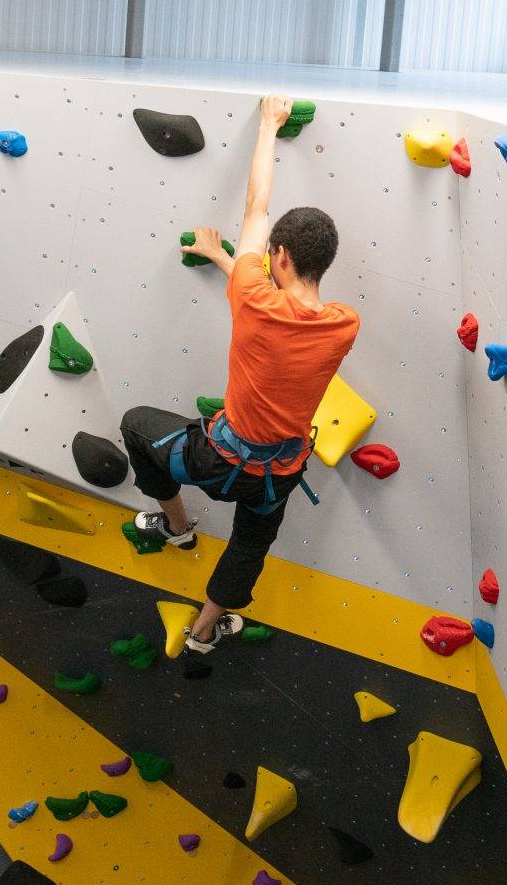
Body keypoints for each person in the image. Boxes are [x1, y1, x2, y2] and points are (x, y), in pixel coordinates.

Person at [120, 93, 361, 655]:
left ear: (278, 256)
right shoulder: (345, 324)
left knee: (136, 425)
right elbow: (275, 289)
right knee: (251, 545)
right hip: (279, 475)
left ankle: (177, 528)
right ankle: (205, 630)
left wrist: (269, 125)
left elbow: (256, 206)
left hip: (217, 462)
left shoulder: (253, 296)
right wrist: (231, 265)